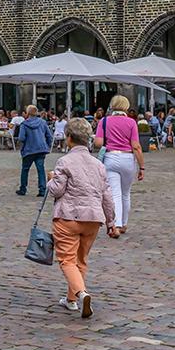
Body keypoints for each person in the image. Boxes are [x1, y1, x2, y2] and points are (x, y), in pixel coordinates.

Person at [46, 117, 113, 319]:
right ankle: (72, 300)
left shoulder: (64, 161)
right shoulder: (98, 164)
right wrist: (111, 221)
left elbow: (57, 190)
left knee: (67, 260)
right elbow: (107, 195)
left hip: (68, 216)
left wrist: (50, 179)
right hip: (93, 218)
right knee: (81, 260)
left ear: (68, 138)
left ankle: (81, 293)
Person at [94, 96, 144, 238]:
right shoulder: (131, 122)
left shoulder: (104, 121)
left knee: (114, 192)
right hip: (128, 158)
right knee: (125, 193)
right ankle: (124, 223)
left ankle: (116, 224)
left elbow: (98, 143)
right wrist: (142, 167)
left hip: (110, 157)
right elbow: (136, 146)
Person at [16, 105, 51, 198]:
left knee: (25, 169)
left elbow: (21, 138)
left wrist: (21, 146)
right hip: (41, 149)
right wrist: (47, 145)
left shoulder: (24, 124)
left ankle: (23, 188)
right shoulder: (43, 123)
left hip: (28, 150)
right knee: (40, 169)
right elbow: (49, 135)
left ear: (28, 113)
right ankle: (42, 189)